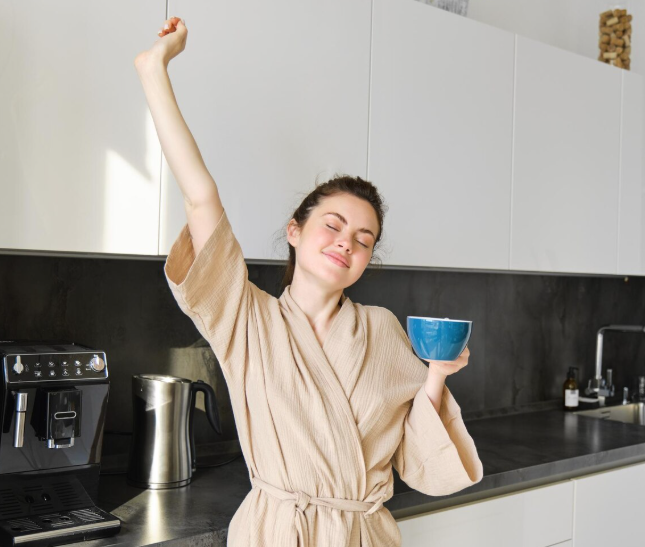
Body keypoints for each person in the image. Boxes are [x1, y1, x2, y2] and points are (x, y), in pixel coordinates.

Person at [134, 16, 483, 547]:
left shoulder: (383, 330)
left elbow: (418, 460)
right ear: (295, 232)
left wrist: (436, 375)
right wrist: (155, 68)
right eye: (334, 226)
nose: (348, 242)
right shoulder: (246, 319)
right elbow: (201, 196)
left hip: (364, 533)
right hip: (277, 532)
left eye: (364, 239)